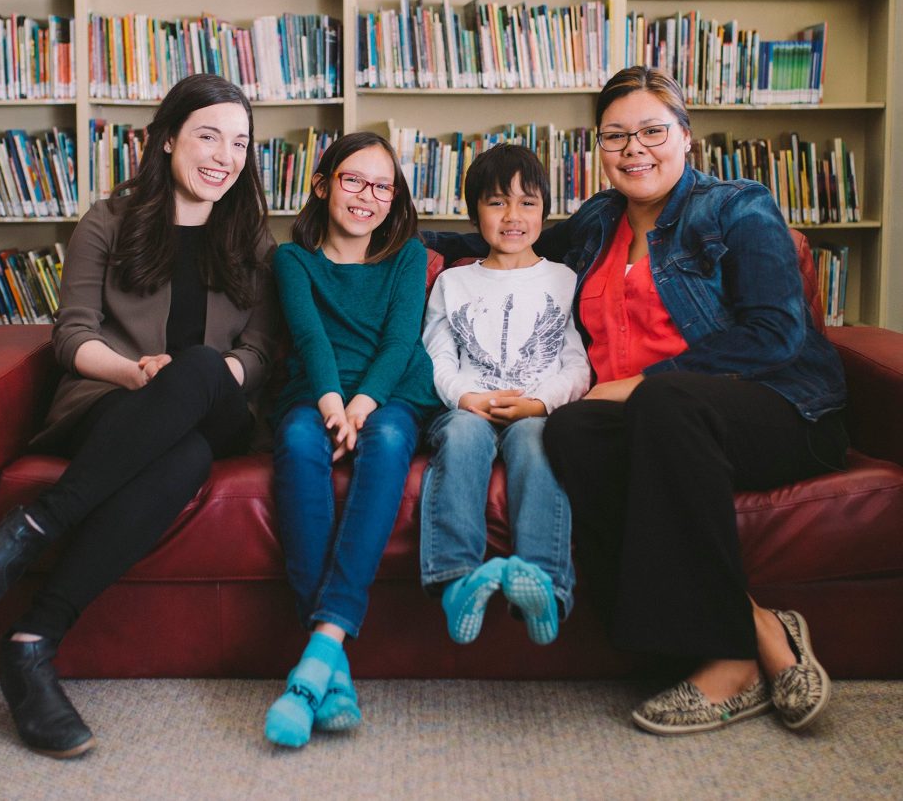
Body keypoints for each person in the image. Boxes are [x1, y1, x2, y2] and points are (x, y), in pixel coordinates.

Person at [424, 66, 847, 736]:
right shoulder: (598, 221)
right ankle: (757, 618)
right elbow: (506, 243)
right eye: (616, 136)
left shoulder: (739, 206)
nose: (634, 149)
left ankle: (732, 658)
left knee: (659, 405)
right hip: (646, 420)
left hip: (772, 409)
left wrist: (651, 380)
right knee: (570, 431)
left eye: (652, 131)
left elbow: (776, 332)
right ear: (598, 148)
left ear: (685, 137)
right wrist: (382, 235)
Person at [0, 74, 280, 758]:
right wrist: (132, 371)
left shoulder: (256, 238)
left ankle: (32, 526)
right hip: (115, 402)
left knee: (204, 369)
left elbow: (260, 351)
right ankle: (32, 641)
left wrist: (200, 376)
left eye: (240, 142)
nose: (225, 155)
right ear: (167, 138)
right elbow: (73, 333)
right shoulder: (107, 221)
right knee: (181, 457)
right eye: (208, 135)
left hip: (218, 406)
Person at [265, 132, 440, 748]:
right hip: (317, 391)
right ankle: (330, 669)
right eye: (353, 181)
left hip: (391, 392)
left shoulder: (408, 257)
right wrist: (333, 405)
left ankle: (320, 647)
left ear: (394, 199)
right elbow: (311, 339)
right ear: (322, 185)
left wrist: (362, 405)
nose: (368, 196)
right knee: (295, 440)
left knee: (389, 441)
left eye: (382, 186)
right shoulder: (293, 260)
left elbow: (398, 342)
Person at [419, 144, 590, 648]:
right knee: (465, 435)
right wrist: (464, 398)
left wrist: (539, 404)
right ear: (475, 212)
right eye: (497, 202)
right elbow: (436, 356)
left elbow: (577, 363)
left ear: (545, 211)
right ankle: (455, 580)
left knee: (539, 439)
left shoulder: (564, 280)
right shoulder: (453, 282)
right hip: (467, 408)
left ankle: (543, 584)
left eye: (528, 203)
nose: (513, 216)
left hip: (534, 410)